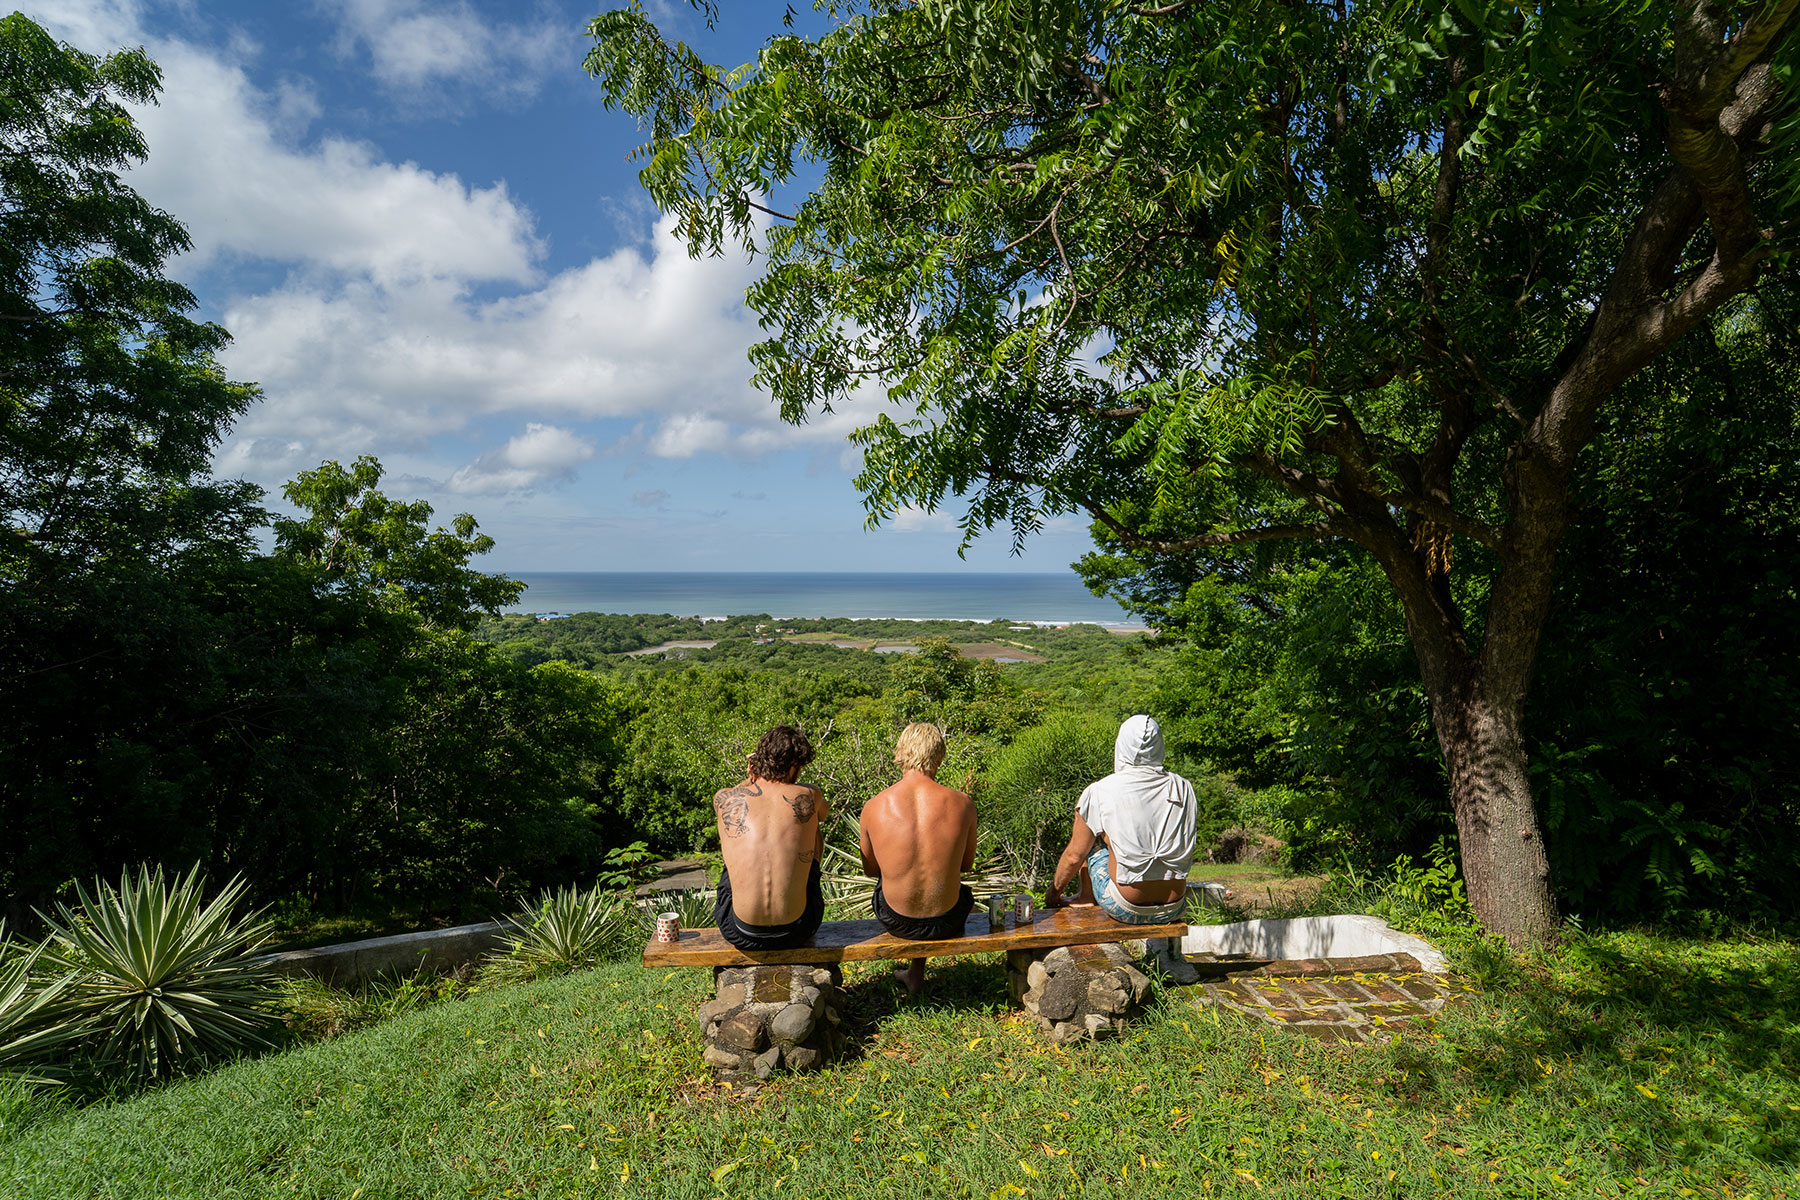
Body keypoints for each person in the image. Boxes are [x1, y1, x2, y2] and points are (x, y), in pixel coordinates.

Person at [1043, 714, 1199, 983]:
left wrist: (1053, 893)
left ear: (1121, 746)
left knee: (1089, 842)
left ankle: (1085, 897)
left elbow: (1073, 856)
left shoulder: (1101, 790)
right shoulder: (1183, 787)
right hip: (1175, 905)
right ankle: (1168, 956)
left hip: (1127, 906)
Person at [859, 722, 978, 995]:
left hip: (897, 920)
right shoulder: (963, 804)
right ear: (939, 757)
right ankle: (915, 972)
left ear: (900, 753)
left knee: (897, 883)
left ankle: (913, 974)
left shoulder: (875, 806)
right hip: (948, 921)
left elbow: (870, 869)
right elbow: (966, 866)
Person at [712, 725, 829, 951]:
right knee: (812, 825)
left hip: (738, 930)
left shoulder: (724, 798)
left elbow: (732, 796)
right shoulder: (809, 795)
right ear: (795, 766)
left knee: (735, 838)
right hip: (798, 929)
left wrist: (751, 777)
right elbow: (823, 814)